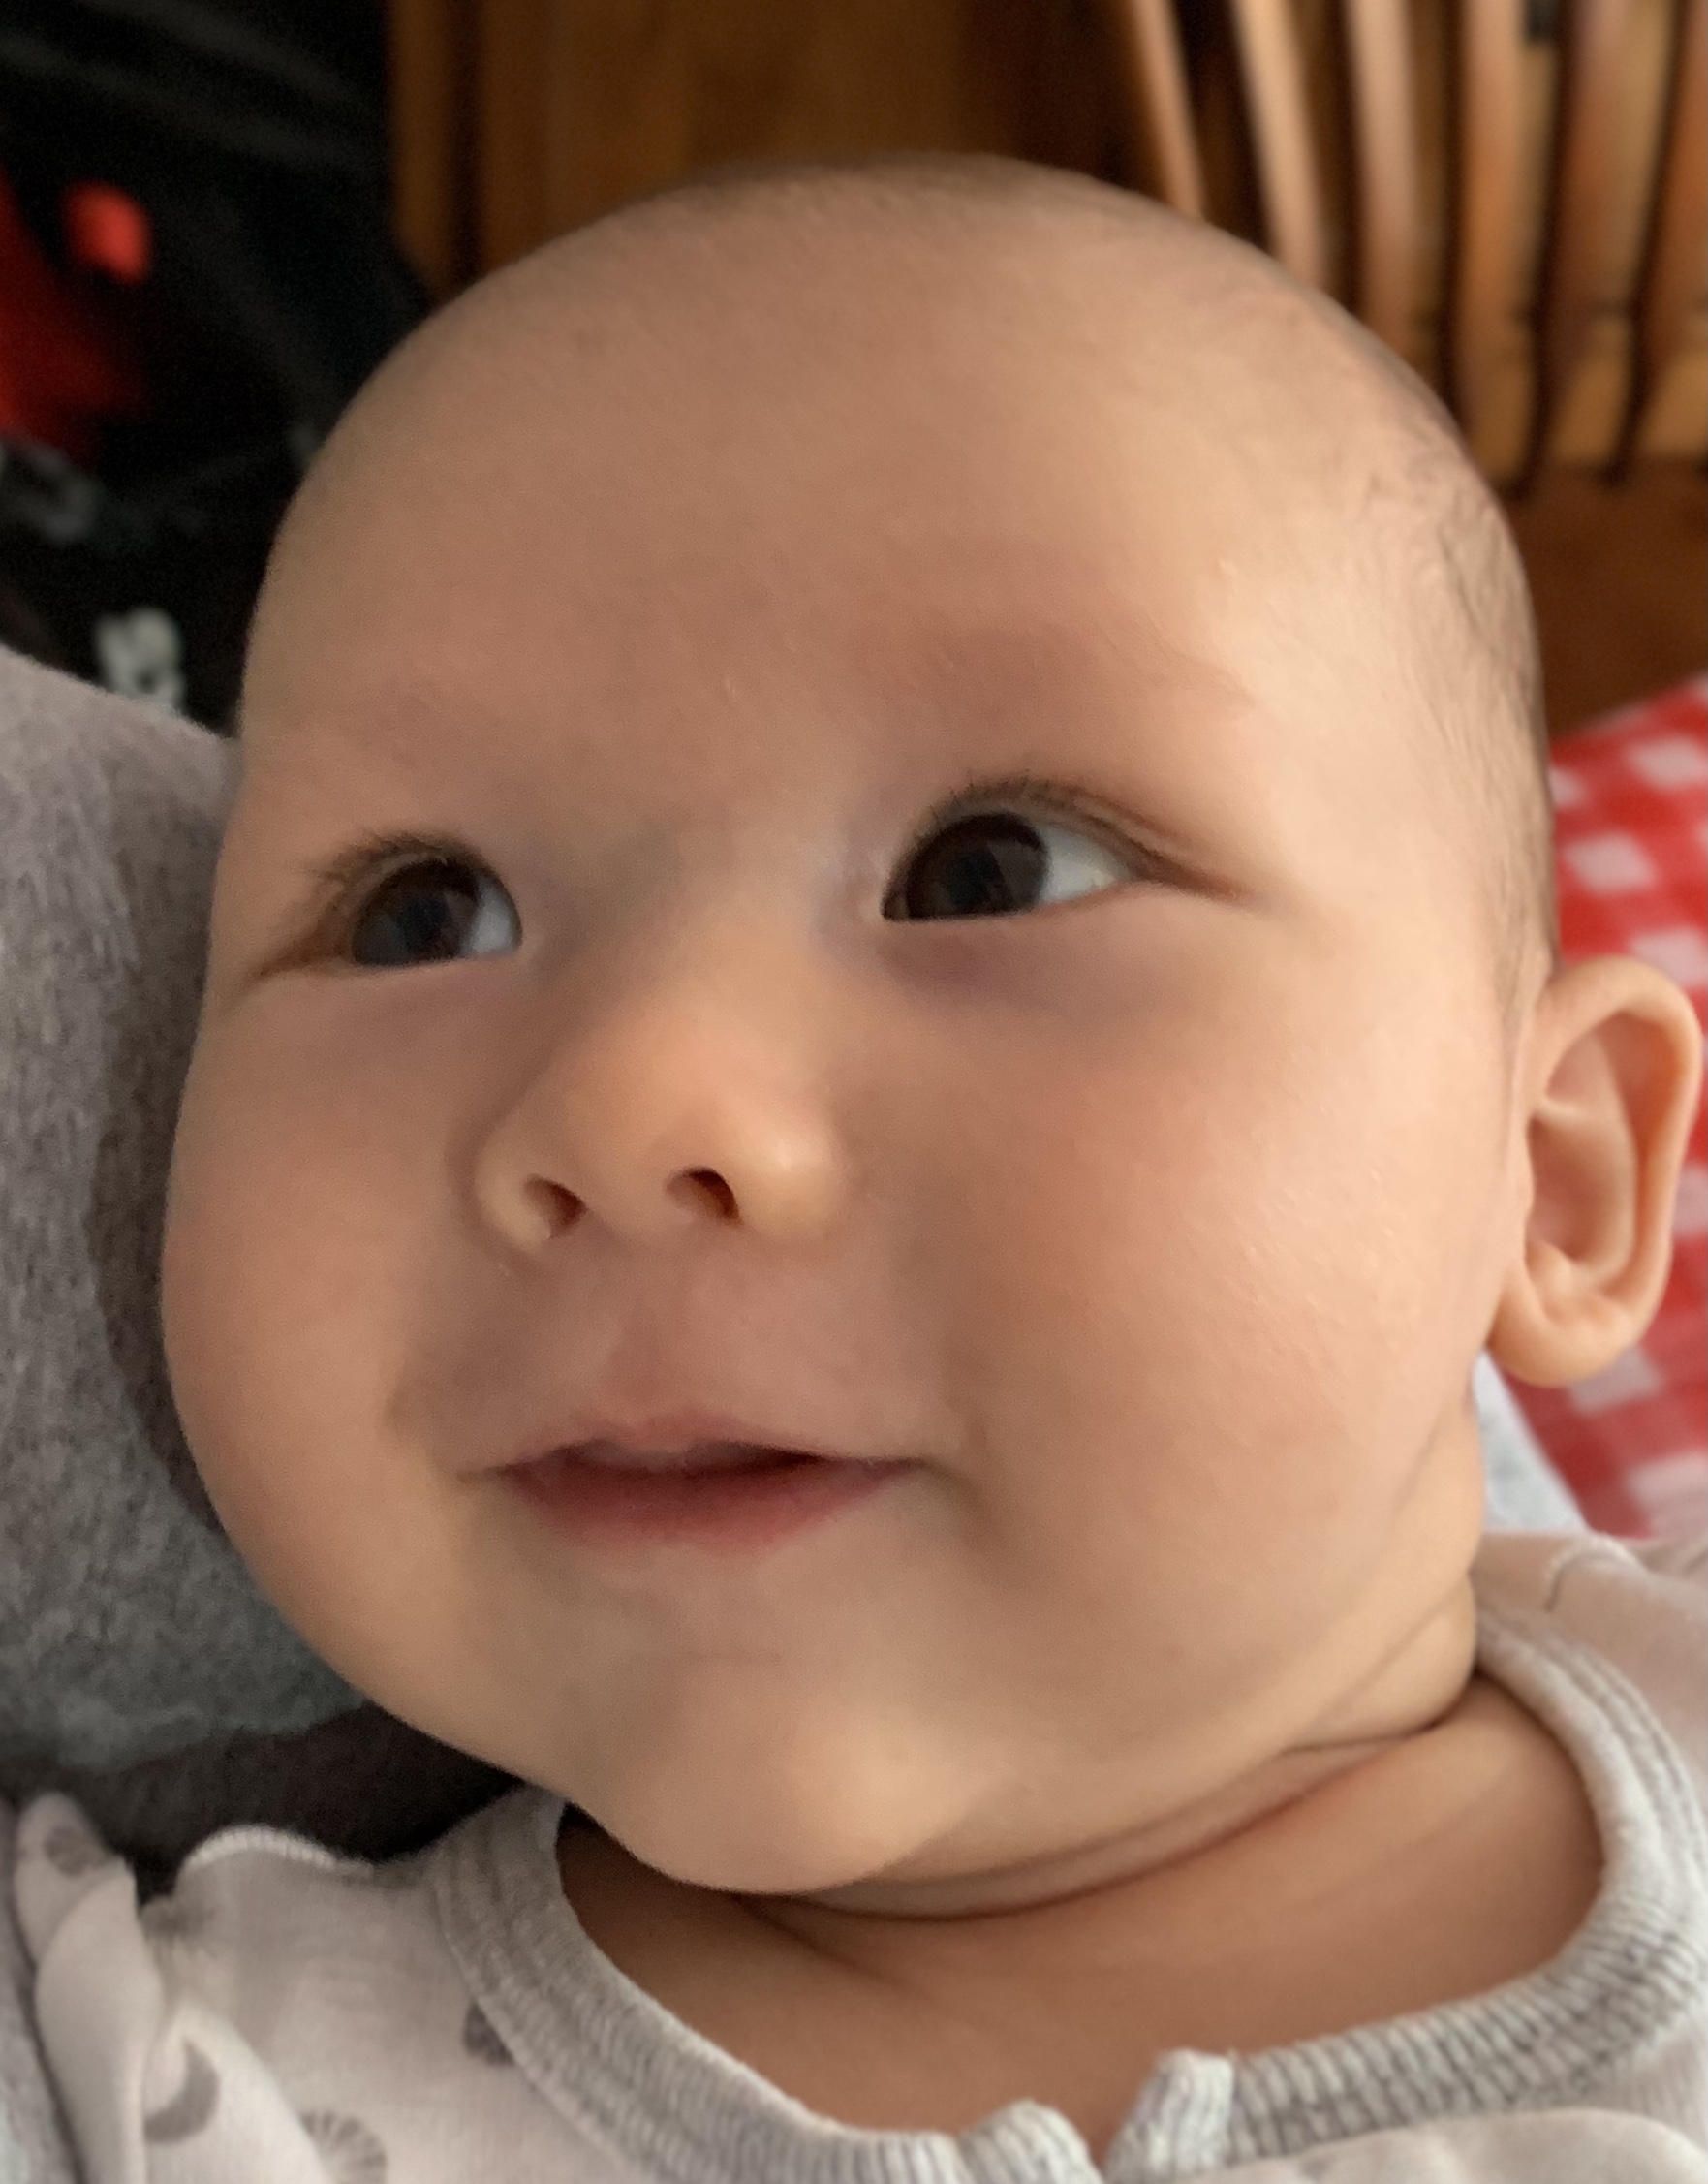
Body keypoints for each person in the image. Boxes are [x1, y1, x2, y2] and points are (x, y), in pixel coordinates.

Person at [18, 157, 1705, 2182]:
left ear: (1553, 1177)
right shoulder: (132, 2079)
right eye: (420, 913)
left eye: (991, 871)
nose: (634, 1097)